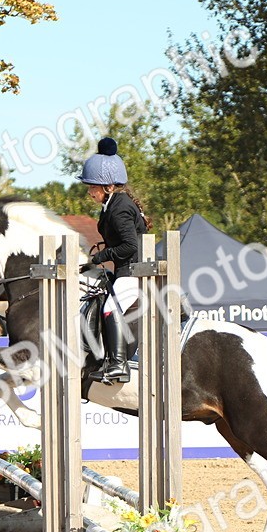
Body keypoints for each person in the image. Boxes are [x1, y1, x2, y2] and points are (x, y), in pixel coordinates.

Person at [78, 137, 150, 384]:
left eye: (92, 187)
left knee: (110, 307)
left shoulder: (119, 208)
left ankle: (118, 365)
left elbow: (129, 246)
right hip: (126, 269)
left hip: (134, 271)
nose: (89, 192)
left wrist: (101, 256)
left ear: (108, 186)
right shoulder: (112, 204)